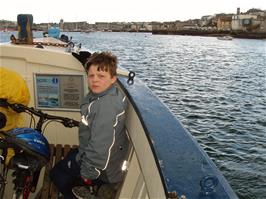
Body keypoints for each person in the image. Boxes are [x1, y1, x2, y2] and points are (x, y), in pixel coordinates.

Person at [50, 52, 129, 199]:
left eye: (101, 76)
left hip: (102, 170)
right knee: (62, 169)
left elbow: (101, 147)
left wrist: (86, 177)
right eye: (91, 76)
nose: (95, 80)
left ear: (113, 79)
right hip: (88, 153)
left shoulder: (107, 106)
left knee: (57, 176)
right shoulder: (101, 94)